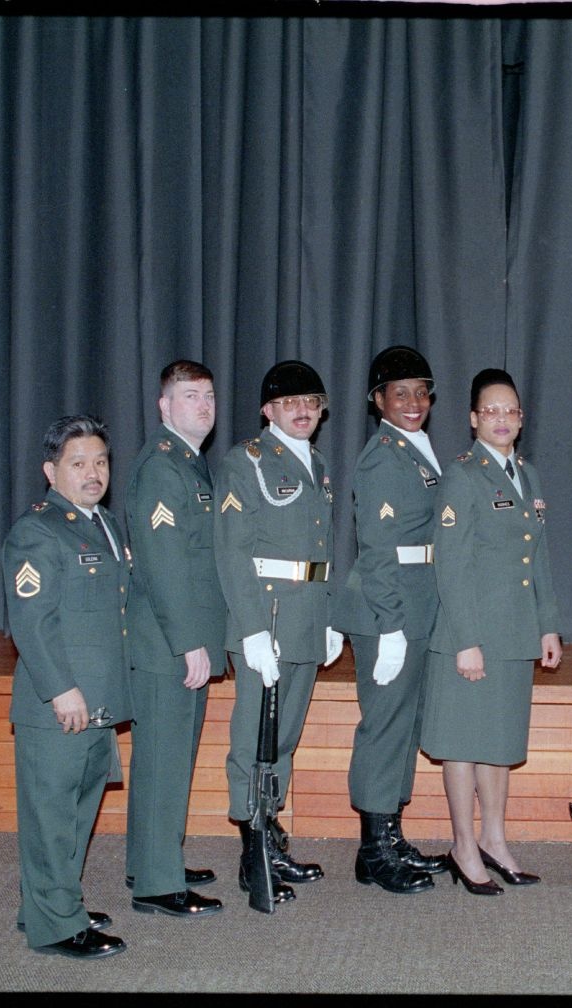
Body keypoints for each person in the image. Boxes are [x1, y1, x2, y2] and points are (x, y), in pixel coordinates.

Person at [420, 369, 563, 895]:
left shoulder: (526, 474)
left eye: (511, 411)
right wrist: (465, 640)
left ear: (521, 420)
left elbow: (538, 559)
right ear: (474, 419)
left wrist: (548, 624)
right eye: (492, 411)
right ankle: (463, 844)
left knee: (498, 742)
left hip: (513, 633)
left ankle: (495, 840)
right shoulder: (463, 475)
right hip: (471, 635)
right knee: (463, 743)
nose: (502, 419)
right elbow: (450, 566)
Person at [3, 414, 131, 959]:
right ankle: (56, 924)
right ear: (51, 471)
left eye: (100, 461)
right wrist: (61, 690)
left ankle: (50, 903)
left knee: (78, 810)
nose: (93, 472)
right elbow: (32, 621)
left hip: (97, 698)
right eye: (79, 463)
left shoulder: (100, 522)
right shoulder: (39, 529)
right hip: (61, 702)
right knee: (52, 816)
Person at [214, 360, 342, 906]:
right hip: (264, 618)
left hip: (307, 616)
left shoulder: (316, 463)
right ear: (268, 411)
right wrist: (248, 631)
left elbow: (323, 551)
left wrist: (331, 614)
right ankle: (252, 850)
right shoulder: (246, 461)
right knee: (253, 738)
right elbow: (232, 549)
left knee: (284, 737)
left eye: (311, 401)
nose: (303, 410)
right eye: (290, 403)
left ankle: (271, 830)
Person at [333, 345, 450, 893]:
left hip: (416, 599)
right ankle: (373, 848)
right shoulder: (383, 455)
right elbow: (378, 548)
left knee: (404, 724)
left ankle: (389, 835)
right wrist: (393, 625)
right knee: (383, 725)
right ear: (377, 400)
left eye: (421, 392)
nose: (413, 402)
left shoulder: (414, 450)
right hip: (389, 607)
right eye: (399, 393)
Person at [122, 360, 226, 918]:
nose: (203, 406)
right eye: (190, 397)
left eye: (208, 396)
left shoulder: (188, 463)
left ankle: (153, 858)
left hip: (181, 639)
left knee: (168, 759)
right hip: (168, 645)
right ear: (165, 407)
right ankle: (157, 886)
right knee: (163, 760)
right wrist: (190, 642)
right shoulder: (164, 468)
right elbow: (162, 566)